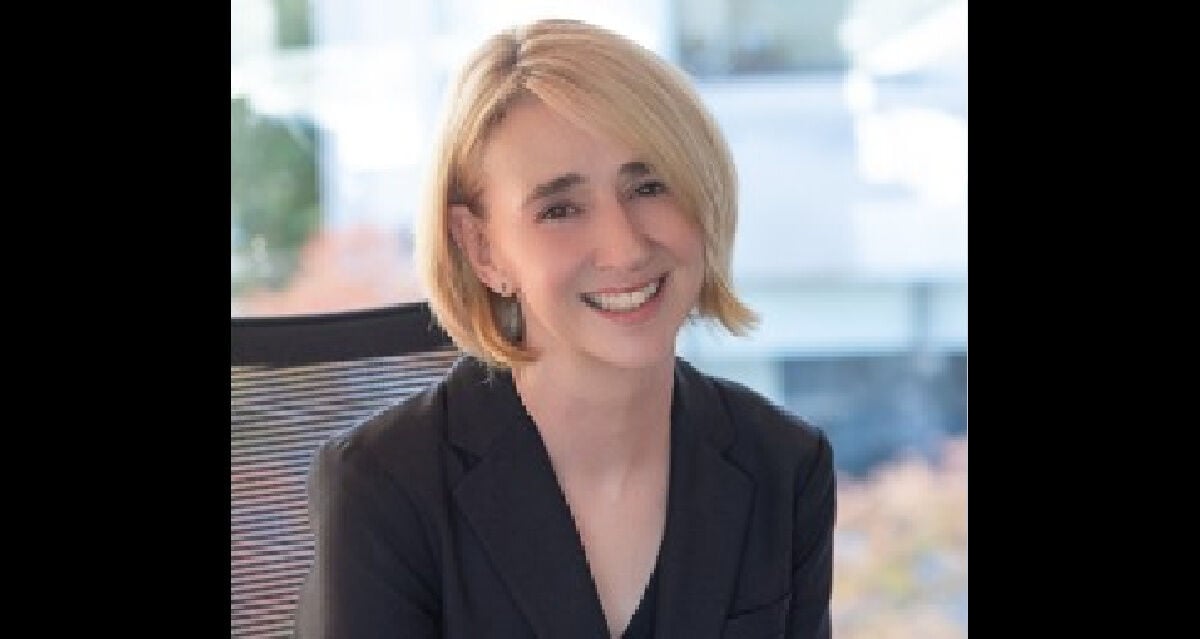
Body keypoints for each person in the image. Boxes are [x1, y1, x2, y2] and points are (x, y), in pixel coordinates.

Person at [294, 17, 835, 639]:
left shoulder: (784, 466)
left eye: (649, 186)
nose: (625, 248)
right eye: (560, 209)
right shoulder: (385, 487)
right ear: (483, 250)